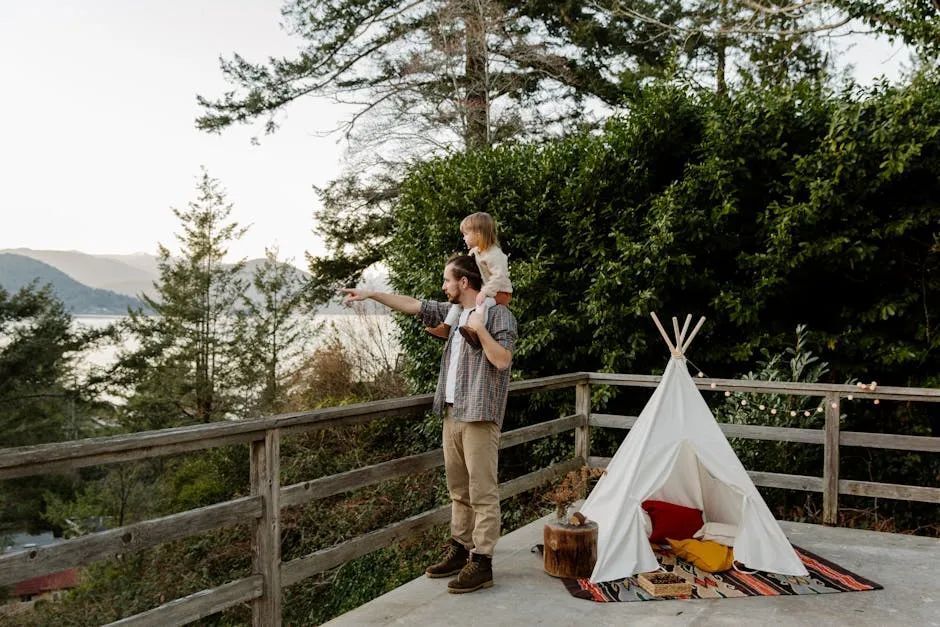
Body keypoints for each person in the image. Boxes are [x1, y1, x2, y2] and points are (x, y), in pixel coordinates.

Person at [341, 253, 518, 594]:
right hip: (452, 412)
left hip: (480, 414)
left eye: (447, 280)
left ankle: (482, 562)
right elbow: (411, 304)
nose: (443, 286)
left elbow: (503, 360)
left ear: (464, 282)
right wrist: (371, 294)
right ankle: (460, 548)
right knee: (458, 490)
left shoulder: (497, 314)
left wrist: (479, 330)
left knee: (482, 491)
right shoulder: (453, 314)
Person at [425, 212, 512, 348]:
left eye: (466, 234)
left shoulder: (495, 254)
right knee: (458, 303)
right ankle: (445, 328)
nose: (464, 238)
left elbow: (499, 277)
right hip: (488, 290)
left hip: (501, 292)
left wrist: (484, 292)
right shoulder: (478, 251)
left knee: (483, 303)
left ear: (478, 234)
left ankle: (476, 330)